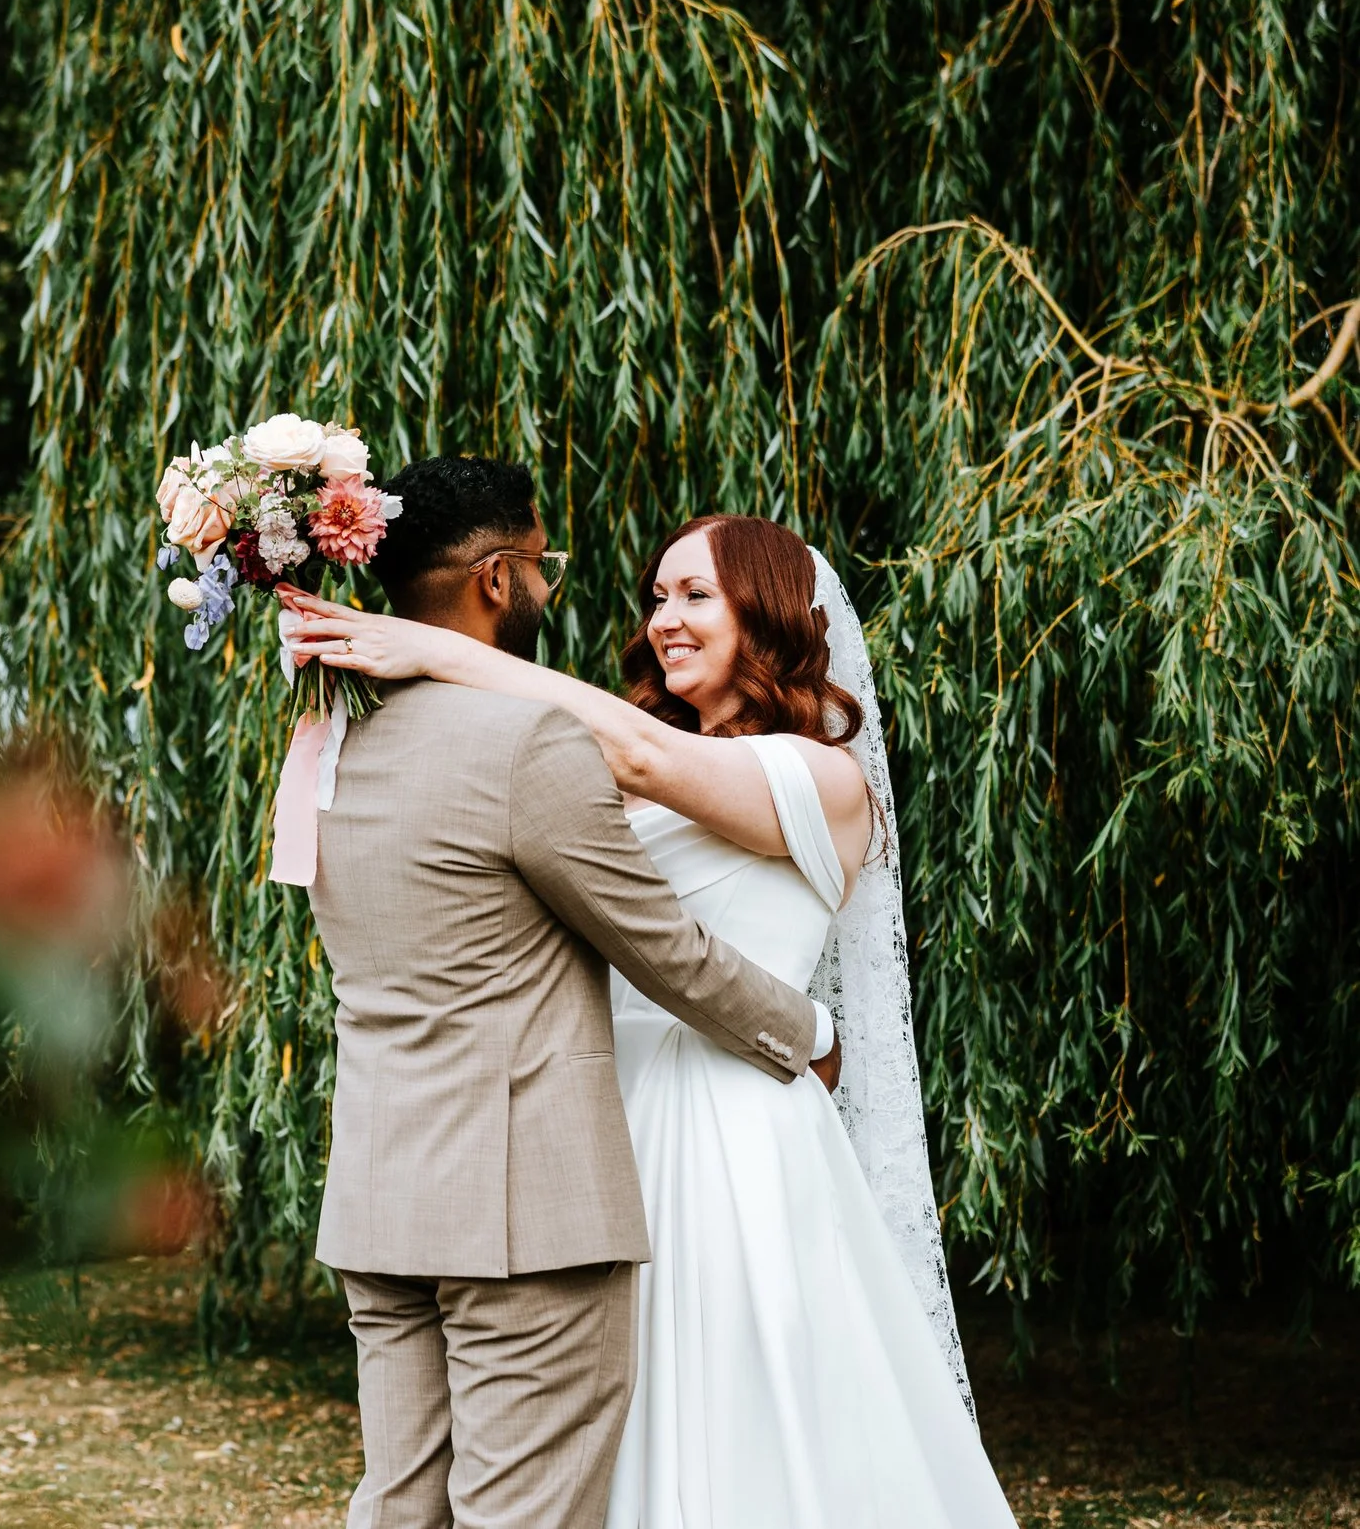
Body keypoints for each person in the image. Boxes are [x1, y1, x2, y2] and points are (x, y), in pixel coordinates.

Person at [286, 480, 1018, 1529]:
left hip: (730, 1125)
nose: (661, 619)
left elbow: (635, 758)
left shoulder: (816, 774)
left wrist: (440, 648)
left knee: (733, 1422)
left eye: (695, 596)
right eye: (654, 596)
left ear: (770, 612)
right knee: (567, 1448)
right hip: (590, 1117)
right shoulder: (604, 758)